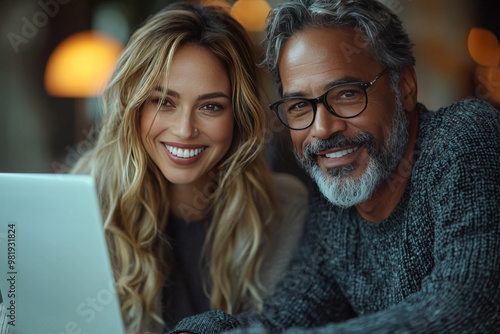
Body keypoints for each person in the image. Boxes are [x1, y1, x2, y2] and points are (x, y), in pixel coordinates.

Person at [169, 0, 500, 333]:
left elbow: (464, 304)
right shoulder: (335, 206)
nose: (323, 129)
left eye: (345, 94)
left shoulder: (464, 137)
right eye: (299, 105)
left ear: (406, 86)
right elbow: (284, 317)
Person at [70, 2, 308, 333]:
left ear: (240, 116)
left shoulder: (283, 208)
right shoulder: (83, 202)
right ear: (134, 105)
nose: (184, 129)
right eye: (164, 102)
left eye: (211, 106)